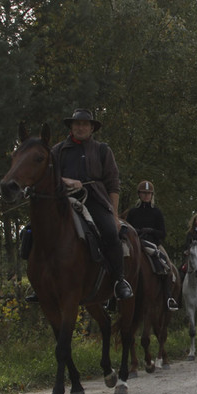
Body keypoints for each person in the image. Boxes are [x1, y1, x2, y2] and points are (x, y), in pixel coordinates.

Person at [52, 108, 133, 299]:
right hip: (63, 200)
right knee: (33, 231)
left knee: (110, 232)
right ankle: (39, 281)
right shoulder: (57, 150)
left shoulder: (103, 150)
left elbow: (113, 184)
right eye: (77, 124)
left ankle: (119, 281)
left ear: (91, 128)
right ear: (71, 126)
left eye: (84, 124)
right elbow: (48, 176)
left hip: (94, 200)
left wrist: (113, 215)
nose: (80, 127)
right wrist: (66, 181)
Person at [126, 180, 178, 311]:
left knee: (167, 267)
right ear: (139, 194)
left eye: (148, 193)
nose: (146, 196)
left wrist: (151, 231)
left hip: (153, 244)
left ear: (152, 195)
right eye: (143, 193)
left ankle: (168, 297)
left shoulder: (157, 212)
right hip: (136, 243)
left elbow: (163, 233)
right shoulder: (132, 212)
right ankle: (112, 298)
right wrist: (136, 231)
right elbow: (126, 229)